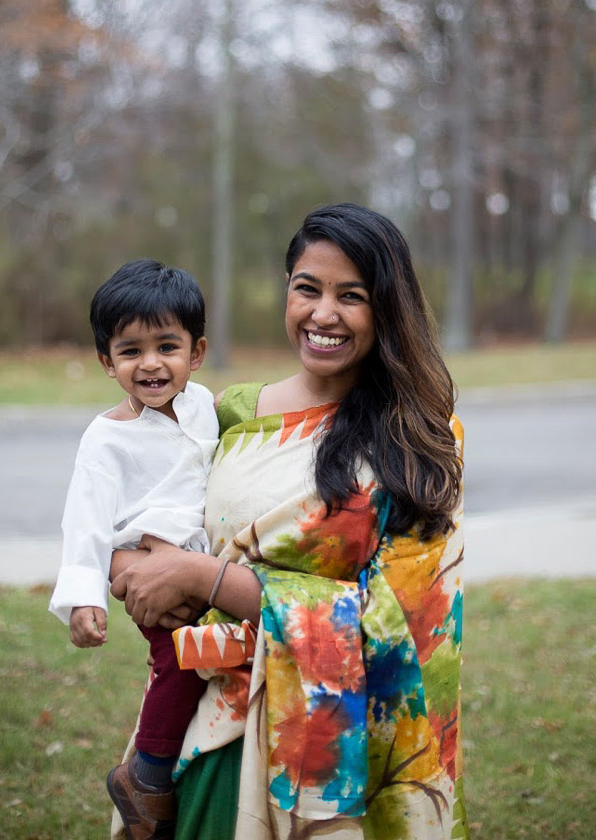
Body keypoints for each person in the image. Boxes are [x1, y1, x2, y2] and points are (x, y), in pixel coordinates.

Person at [110, 203, 470, 840]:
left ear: (387, 309)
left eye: (351, 296)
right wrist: (129, 568)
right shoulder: (231, 415)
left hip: (332, 754)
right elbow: (136, 512)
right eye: (308, 288)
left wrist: (202, 577)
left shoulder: (420, 443)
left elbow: (403, 630)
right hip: (206, 732)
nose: (322, 314)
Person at [48, 259, 219, 838]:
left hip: (205, 562)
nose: (150, 363)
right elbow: (86, 521)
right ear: (107, 362)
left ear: (195, 353)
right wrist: (82, 596)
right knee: (180, 658)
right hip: (149, 569)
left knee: (213, 658)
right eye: (130, 351)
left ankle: (194, 763)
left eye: (166, 346)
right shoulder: (106, 438)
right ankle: (145, 777)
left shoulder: (206, 408)